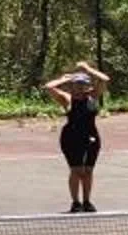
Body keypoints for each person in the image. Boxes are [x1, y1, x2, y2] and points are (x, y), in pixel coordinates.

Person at [43, 62, 110, 212]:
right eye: (77, 84)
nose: (80, 87)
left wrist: (88, 69)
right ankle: (75, 202)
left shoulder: (93, 96)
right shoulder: (67, 98)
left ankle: (87, 201)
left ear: (88, 85)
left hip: (91, 136)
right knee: (76, 170)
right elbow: (48, 87)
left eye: (83, 84)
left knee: (88, 171)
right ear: (71, 86)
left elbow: (105, 79)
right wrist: (64, 79)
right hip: (71, 138)